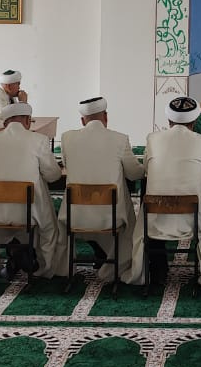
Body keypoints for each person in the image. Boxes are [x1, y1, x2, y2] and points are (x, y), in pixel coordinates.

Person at [136, 97, 201, 290]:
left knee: (150, 208)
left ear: (168, 120)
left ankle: (158, 270)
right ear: (195, 121)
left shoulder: (152, 139)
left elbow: (147, 169)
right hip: (193, 219)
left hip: (156, 218)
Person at [58, 96, 144, 283]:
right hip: (110, 217)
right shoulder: (120, 139)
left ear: (82, 120)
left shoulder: (67, 138)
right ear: (106, 117)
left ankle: (91, 257)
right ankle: (111, 268)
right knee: (128, 215)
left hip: (75, 216)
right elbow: (134, 174)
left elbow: (66, 165)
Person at [0, 101, 65, 280]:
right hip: (29, 214)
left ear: (5, 123)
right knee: (49, 226)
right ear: (27, 120)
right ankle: (44, 268)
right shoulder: (38, 140)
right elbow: (53, 175)